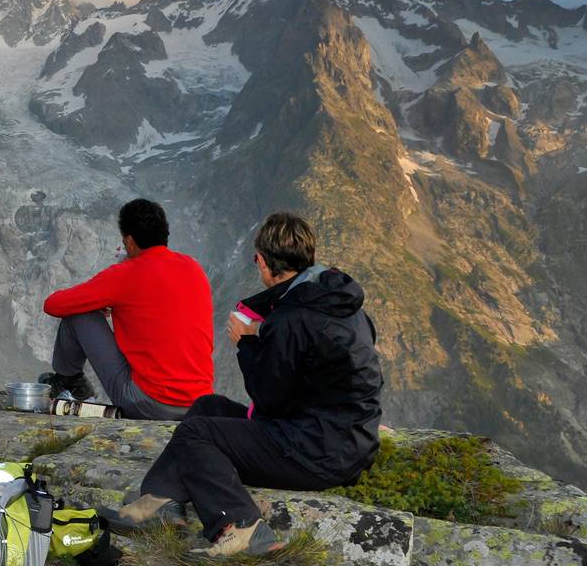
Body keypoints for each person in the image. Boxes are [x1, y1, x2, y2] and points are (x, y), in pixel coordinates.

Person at [107, 212, 383, 557]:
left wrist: (247, 342)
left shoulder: (290, 319)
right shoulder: (337, 301)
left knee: (197, 434)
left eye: (257, 260)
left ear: (263, 262)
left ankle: (241, 528)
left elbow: (268, 401)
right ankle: (158, 504)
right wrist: (263, 332)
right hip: (342, 439)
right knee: (208, 407)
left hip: (316, 453)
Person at [39, 198, 214, 421]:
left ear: (129, 241)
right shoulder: (193, 268)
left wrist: (101, 300)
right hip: (199, 405)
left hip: (150, 404)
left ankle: (68, 383)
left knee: (79, 314)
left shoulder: (126, 274)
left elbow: (53, 305)